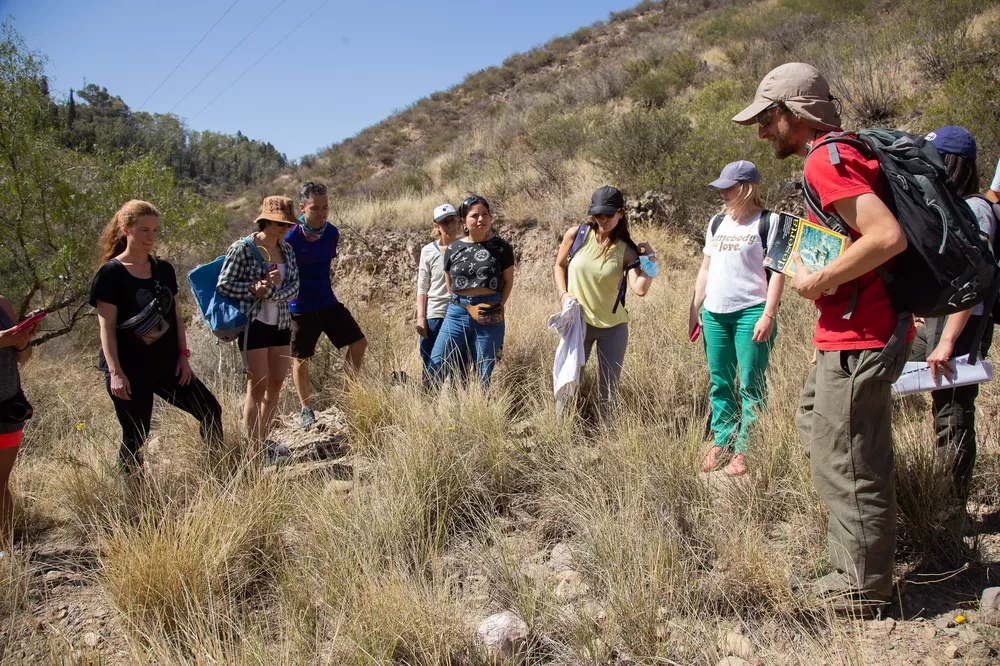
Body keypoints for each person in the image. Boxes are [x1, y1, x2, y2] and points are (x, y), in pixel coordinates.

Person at [734, 62, 912, 615]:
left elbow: (886, 236)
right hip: (849, 330)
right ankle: (852, 561)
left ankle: (862, 586)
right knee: (823, 428)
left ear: (793, 113)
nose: (762, 132)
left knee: (846, 456)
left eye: (767, 118)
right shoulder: (840, 152)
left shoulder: (824, 159)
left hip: (864, 332)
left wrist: (820, 280)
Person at [90, 200, 223, 473]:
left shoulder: (163, 269)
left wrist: (184, 357)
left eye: (154, 230)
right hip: (129, 369)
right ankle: (133, 496)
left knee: (210, 410)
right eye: (143, 230)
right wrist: (115, 372)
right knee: (137, 435)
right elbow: (106, 327)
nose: (150, 237)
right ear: (126, 229)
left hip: (166, 364)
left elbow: (175, 316)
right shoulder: (110, 274)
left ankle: (218, 471)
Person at [909, 126, 997, 521]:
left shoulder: (974, 209)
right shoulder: (948, 206)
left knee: (953, 413)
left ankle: (950, 509)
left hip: (960, 328)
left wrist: (947, 341)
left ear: (953, 163)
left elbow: (972, 280)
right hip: (938, 322)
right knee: (942, 409)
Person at [690, 162, 785, 476]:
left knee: (751, 384)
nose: (722, 193)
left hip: (752, 313)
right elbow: (706, 268)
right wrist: (694, 308)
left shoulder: (768, 222)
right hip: (715, 314)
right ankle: (722, 440)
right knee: (719, 382)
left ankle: (747, 447)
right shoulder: (717, 223)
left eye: (728, 188)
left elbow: (777, 273)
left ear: (746, 187)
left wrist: (768, 315)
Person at [553, 186, 656, 420]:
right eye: (598, 214)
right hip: (579, 325)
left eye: (608, 214)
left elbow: (639, 289)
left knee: (609, 389)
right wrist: (563, 295)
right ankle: (560, 433)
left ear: (621, 213)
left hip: (613, 328)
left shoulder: (626, 250)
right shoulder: (577, 235)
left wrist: (651, 262)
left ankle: (608, 440)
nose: (603, 220)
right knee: (569, 381)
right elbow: (559, 265)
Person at [217, 196, 299, 459]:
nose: (284, 228)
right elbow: (224, 284)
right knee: (257, 385)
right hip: (253, 324)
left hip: (281, 322)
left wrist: (270, 293)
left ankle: (263, 439)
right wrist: (255, 288)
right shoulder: (243, 248)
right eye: (279, 223)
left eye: (287, 224)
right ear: (266, 220)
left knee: (276, 382)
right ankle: (253, 449)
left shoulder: (287, 250)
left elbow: (294, 285)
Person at [284, 182, 366, 429]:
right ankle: (305, 408)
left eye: (326, 207)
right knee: (301, 357)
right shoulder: (289, 237)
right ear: (302, 207)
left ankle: (346, 395)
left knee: (359, 343)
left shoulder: (332, 233)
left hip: (327, 301)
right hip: (300, 306)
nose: (322, 213)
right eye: (315, 208)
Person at [428, 195, 514, 389]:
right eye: (474, 215)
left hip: (489, 311)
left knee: (483, 372)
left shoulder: (502, 247)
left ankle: (480, 413)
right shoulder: (454, 248)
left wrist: (498, 305)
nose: (481, 219)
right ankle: (428, 410)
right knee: (437, 361)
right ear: (464, 221)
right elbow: (449, 280)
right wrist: (462, 302)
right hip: (457, 312)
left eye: (485, 214)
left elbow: (508, 281)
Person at [0, 297, 38, 554]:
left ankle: (5, 550)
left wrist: (22, 341)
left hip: (8, 406)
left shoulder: (4, 303)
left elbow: (23, 357)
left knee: (1, 482)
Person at [416, 203, 463, 388]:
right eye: (444, 222)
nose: (450, 225)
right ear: (436, 226)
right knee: (431, 365)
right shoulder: (428, 251)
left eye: (452, 220)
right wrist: (421, 318)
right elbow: (422, 286)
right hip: (435, 314)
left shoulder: (466, 248)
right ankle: (427, 406)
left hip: (458, 314)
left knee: (459, 367)